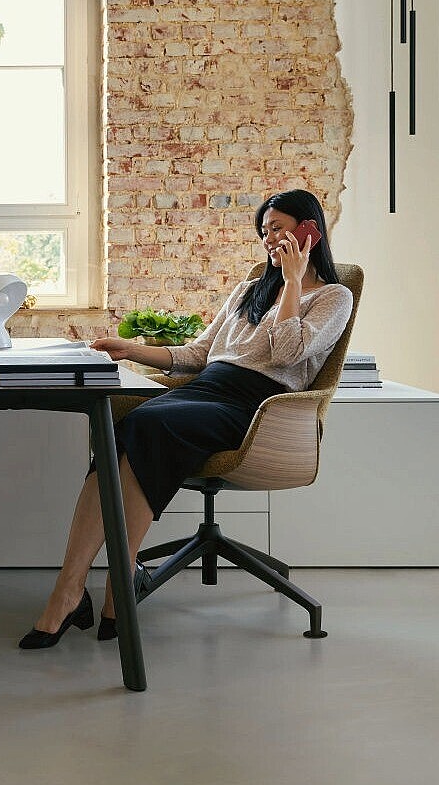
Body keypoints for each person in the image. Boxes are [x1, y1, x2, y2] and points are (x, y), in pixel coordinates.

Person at [18, 189, 354, 649]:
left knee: (146, 427)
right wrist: (132, 350)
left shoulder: (333, 297)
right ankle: (75, 588)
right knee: (121, 428)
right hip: (205, 391)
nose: (269, 239)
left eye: (278, 228)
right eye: (264, 232)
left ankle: (110, 583)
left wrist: (294, 281)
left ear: (308, 231)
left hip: (255, 409)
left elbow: (289, 352)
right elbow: (199, 353)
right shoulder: (248, 290)